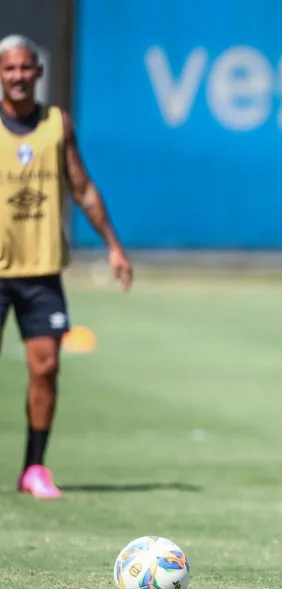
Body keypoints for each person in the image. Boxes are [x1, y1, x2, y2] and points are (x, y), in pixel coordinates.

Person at [0, 35, 133, 498]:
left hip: (40, 270)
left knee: (46, 365)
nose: (18, 76)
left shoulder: (57, 125)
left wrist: (113, 244)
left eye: (25, 68)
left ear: (38, 72)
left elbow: (83, 188)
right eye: (9, 68)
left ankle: (34, 468)